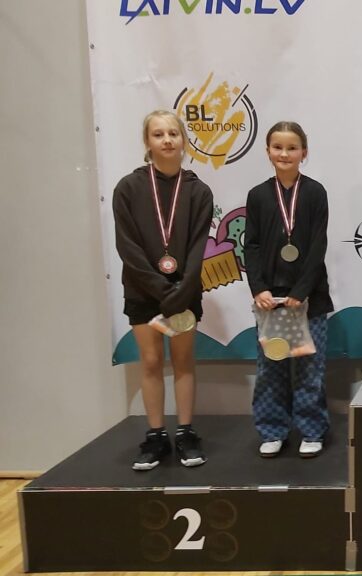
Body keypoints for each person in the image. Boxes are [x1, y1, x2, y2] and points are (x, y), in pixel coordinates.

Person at [112, 110, 213, 470]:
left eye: (173, 133)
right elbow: (127, 245)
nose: (167, 140)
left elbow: (199, 246)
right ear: (147, 142)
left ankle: (185, 433)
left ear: (183, 139)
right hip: (142, 290)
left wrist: (180, 291)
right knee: (152, 361)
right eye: (158, 134)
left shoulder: (198, 190)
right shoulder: (128, 187)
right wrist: (159, 288)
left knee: (183, 361)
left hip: (184, 291)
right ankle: (156, 436)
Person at [244, 121, 333, 458]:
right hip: (270, 300)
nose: (284, 153)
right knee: (271, 367)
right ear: (268, 151)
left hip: (309, 298)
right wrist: (258, 288)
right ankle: (272, 429)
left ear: (303, 152)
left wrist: (302, 289)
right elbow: (251, 246)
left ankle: (312, 429)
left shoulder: (315, 192)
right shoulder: (257, 195)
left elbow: (318, 245)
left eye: (292, 147)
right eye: (278, 147)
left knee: (310, 368)